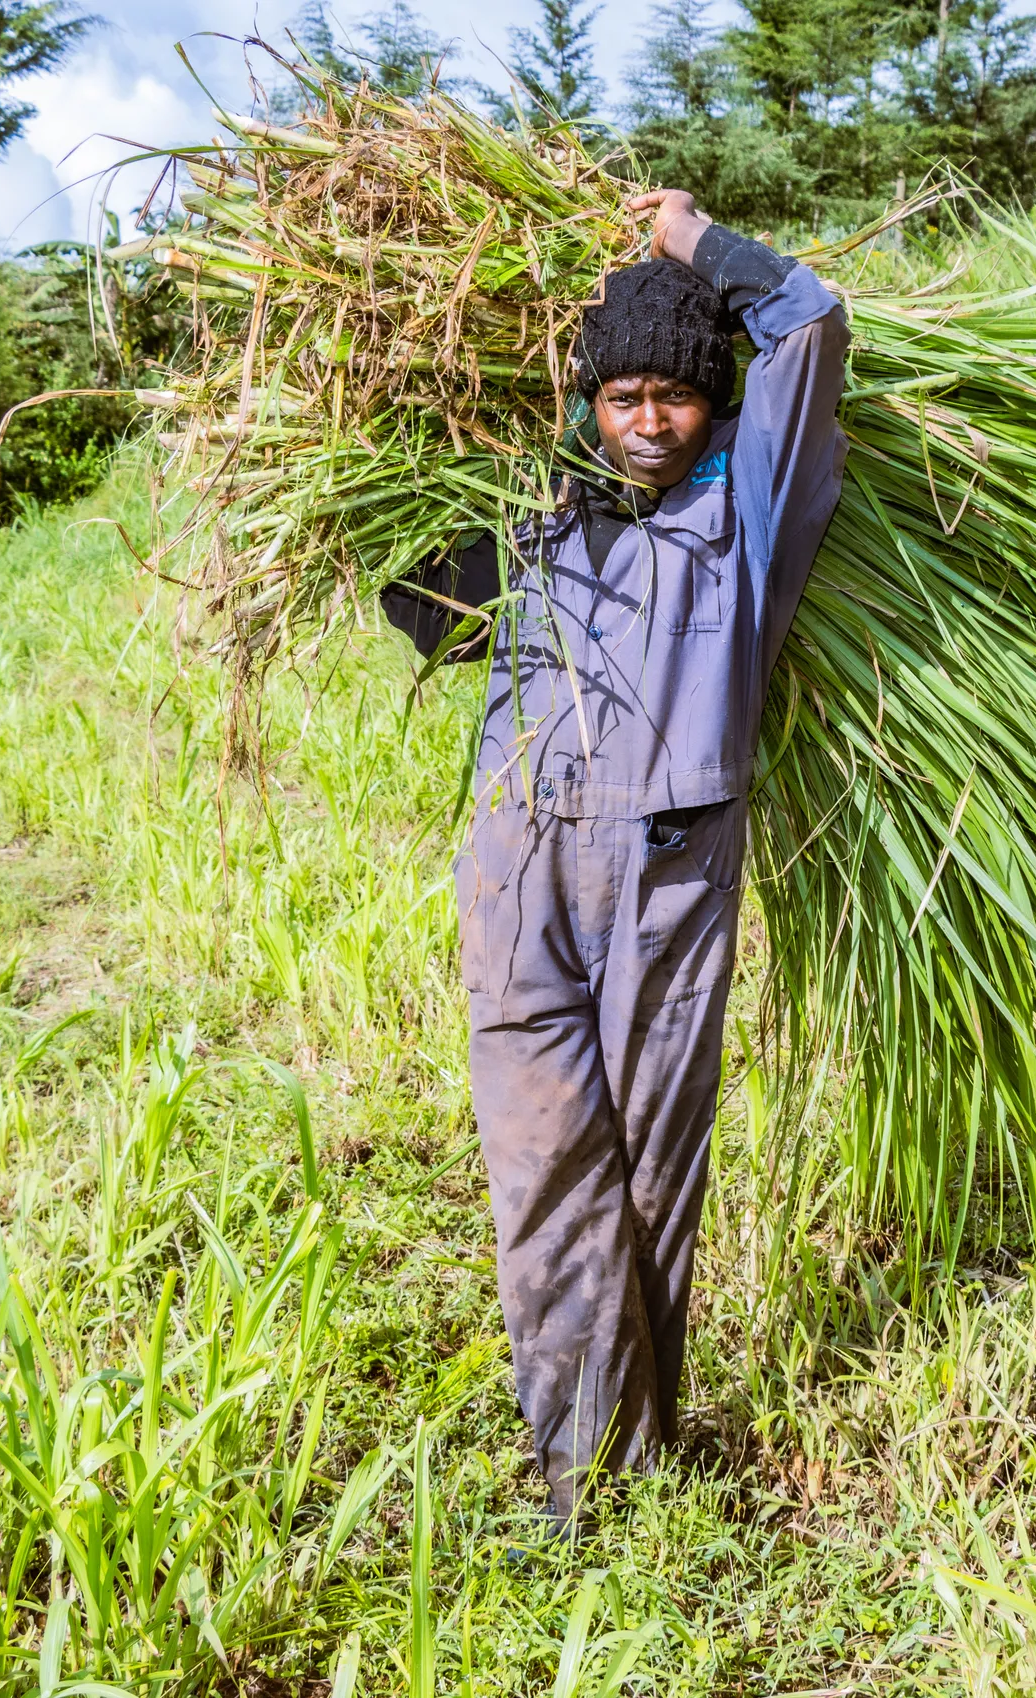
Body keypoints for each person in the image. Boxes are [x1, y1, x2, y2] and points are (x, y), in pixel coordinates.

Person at [383, 187, 850, 1533]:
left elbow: (809, 320)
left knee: (649, 1170)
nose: (647, 421)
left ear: (713, 404)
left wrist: (692, 239)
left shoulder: (747, 516)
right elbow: (410, 597)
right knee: (545, 1169)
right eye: (622, 394)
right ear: (589, 401)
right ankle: (586, 1480)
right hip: (516, 870)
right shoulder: (528, 515)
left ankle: (635, 1460)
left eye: (676, 397)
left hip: (672, 872)